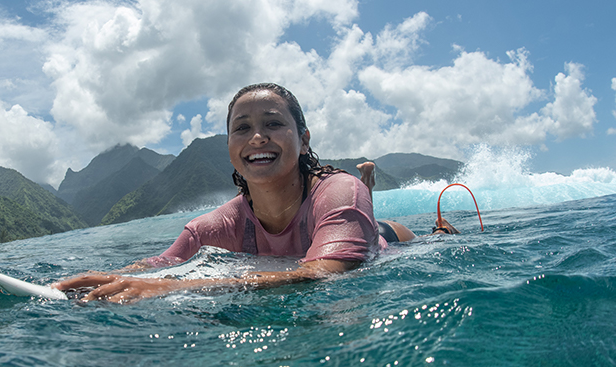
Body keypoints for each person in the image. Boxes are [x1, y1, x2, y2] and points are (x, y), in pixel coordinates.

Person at [53, 83, 457, 303]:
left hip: (383, 241)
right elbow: (163, 261)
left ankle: (388, 212)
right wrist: (112, 279)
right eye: (242, 128)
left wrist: (168, 287)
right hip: (335, 227)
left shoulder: (337, 191)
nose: (257, 137)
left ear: (303, 138)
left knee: (410, 242)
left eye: (273, 124)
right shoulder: (211, 227)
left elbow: (322, 275)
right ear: (230, 147)